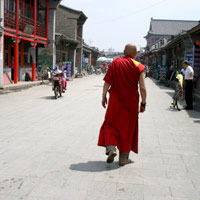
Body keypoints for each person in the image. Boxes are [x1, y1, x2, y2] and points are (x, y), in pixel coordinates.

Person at [98, 44, 147, 166]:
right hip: (131, 103)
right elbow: (142, 87)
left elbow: (107, 82)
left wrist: (104, 96)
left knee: (110, 124)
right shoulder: (139, 66)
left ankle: (111, 149)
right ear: (135, 54)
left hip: (115, 101)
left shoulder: (115, 63)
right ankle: (123, 158)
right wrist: (143, 103)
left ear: (124, 52)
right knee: (127, 129)